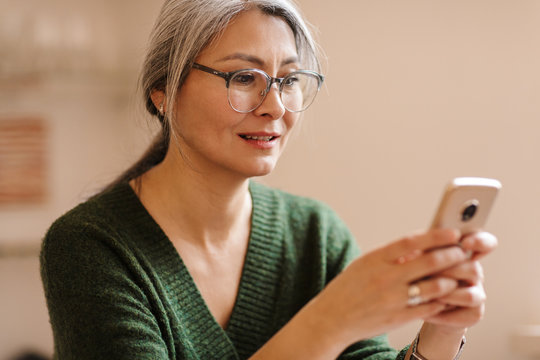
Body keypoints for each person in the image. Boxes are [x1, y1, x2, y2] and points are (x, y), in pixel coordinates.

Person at [40, 0, 497, 359]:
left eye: (289, 79)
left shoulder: (316, 233)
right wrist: (331, 321)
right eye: (243, 76)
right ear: (164, 94)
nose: (275, 106)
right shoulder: (89, 247)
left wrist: (443, 329)